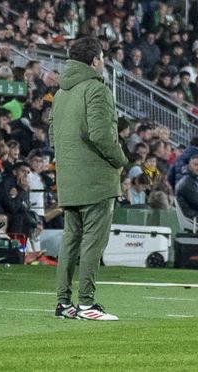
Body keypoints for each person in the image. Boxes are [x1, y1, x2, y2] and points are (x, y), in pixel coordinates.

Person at [52, 36, 129, 322]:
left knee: (70, 241)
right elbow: (101, 135)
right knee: (93, 243)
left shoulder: (61, 94)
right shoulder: (96, 89)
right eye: (103, 58)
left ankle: (63, 303)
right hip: (96, 180)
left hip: (69, 179)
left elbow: (53, 136)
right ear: (95, 60)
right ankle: (87, 304)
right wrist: (121, 160)